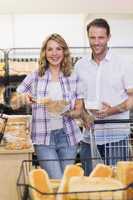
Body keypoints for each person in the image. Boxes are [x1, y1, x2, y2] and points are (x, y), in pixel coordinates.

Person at [12, 33, 84, 179]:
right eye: (50, 49)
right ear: (44, 52)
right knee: (56, 180)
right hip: (43, 139)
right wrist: (23, 98)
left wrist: (65, 111)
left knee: (66, 182)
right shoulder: (35, 75)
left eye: (58, 49)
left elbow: (79, 110)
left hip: (68, 136)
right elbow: (14, 102)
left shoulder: (73, 76)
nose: (54, 53)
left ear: (64, 51)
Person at [74, 18, 133, 175]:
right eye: (92, 38)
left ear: (108, 37)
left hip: (116, 137)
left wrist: (111, 111)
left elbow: (132, 98)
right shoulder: (80, 65)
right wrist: (83, 115)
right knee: (90, 185)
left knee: (117, 185)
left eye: (101, 37)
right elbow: (78, 101)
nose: (96, 42)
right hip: (89, 136)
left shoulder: (123, 63)